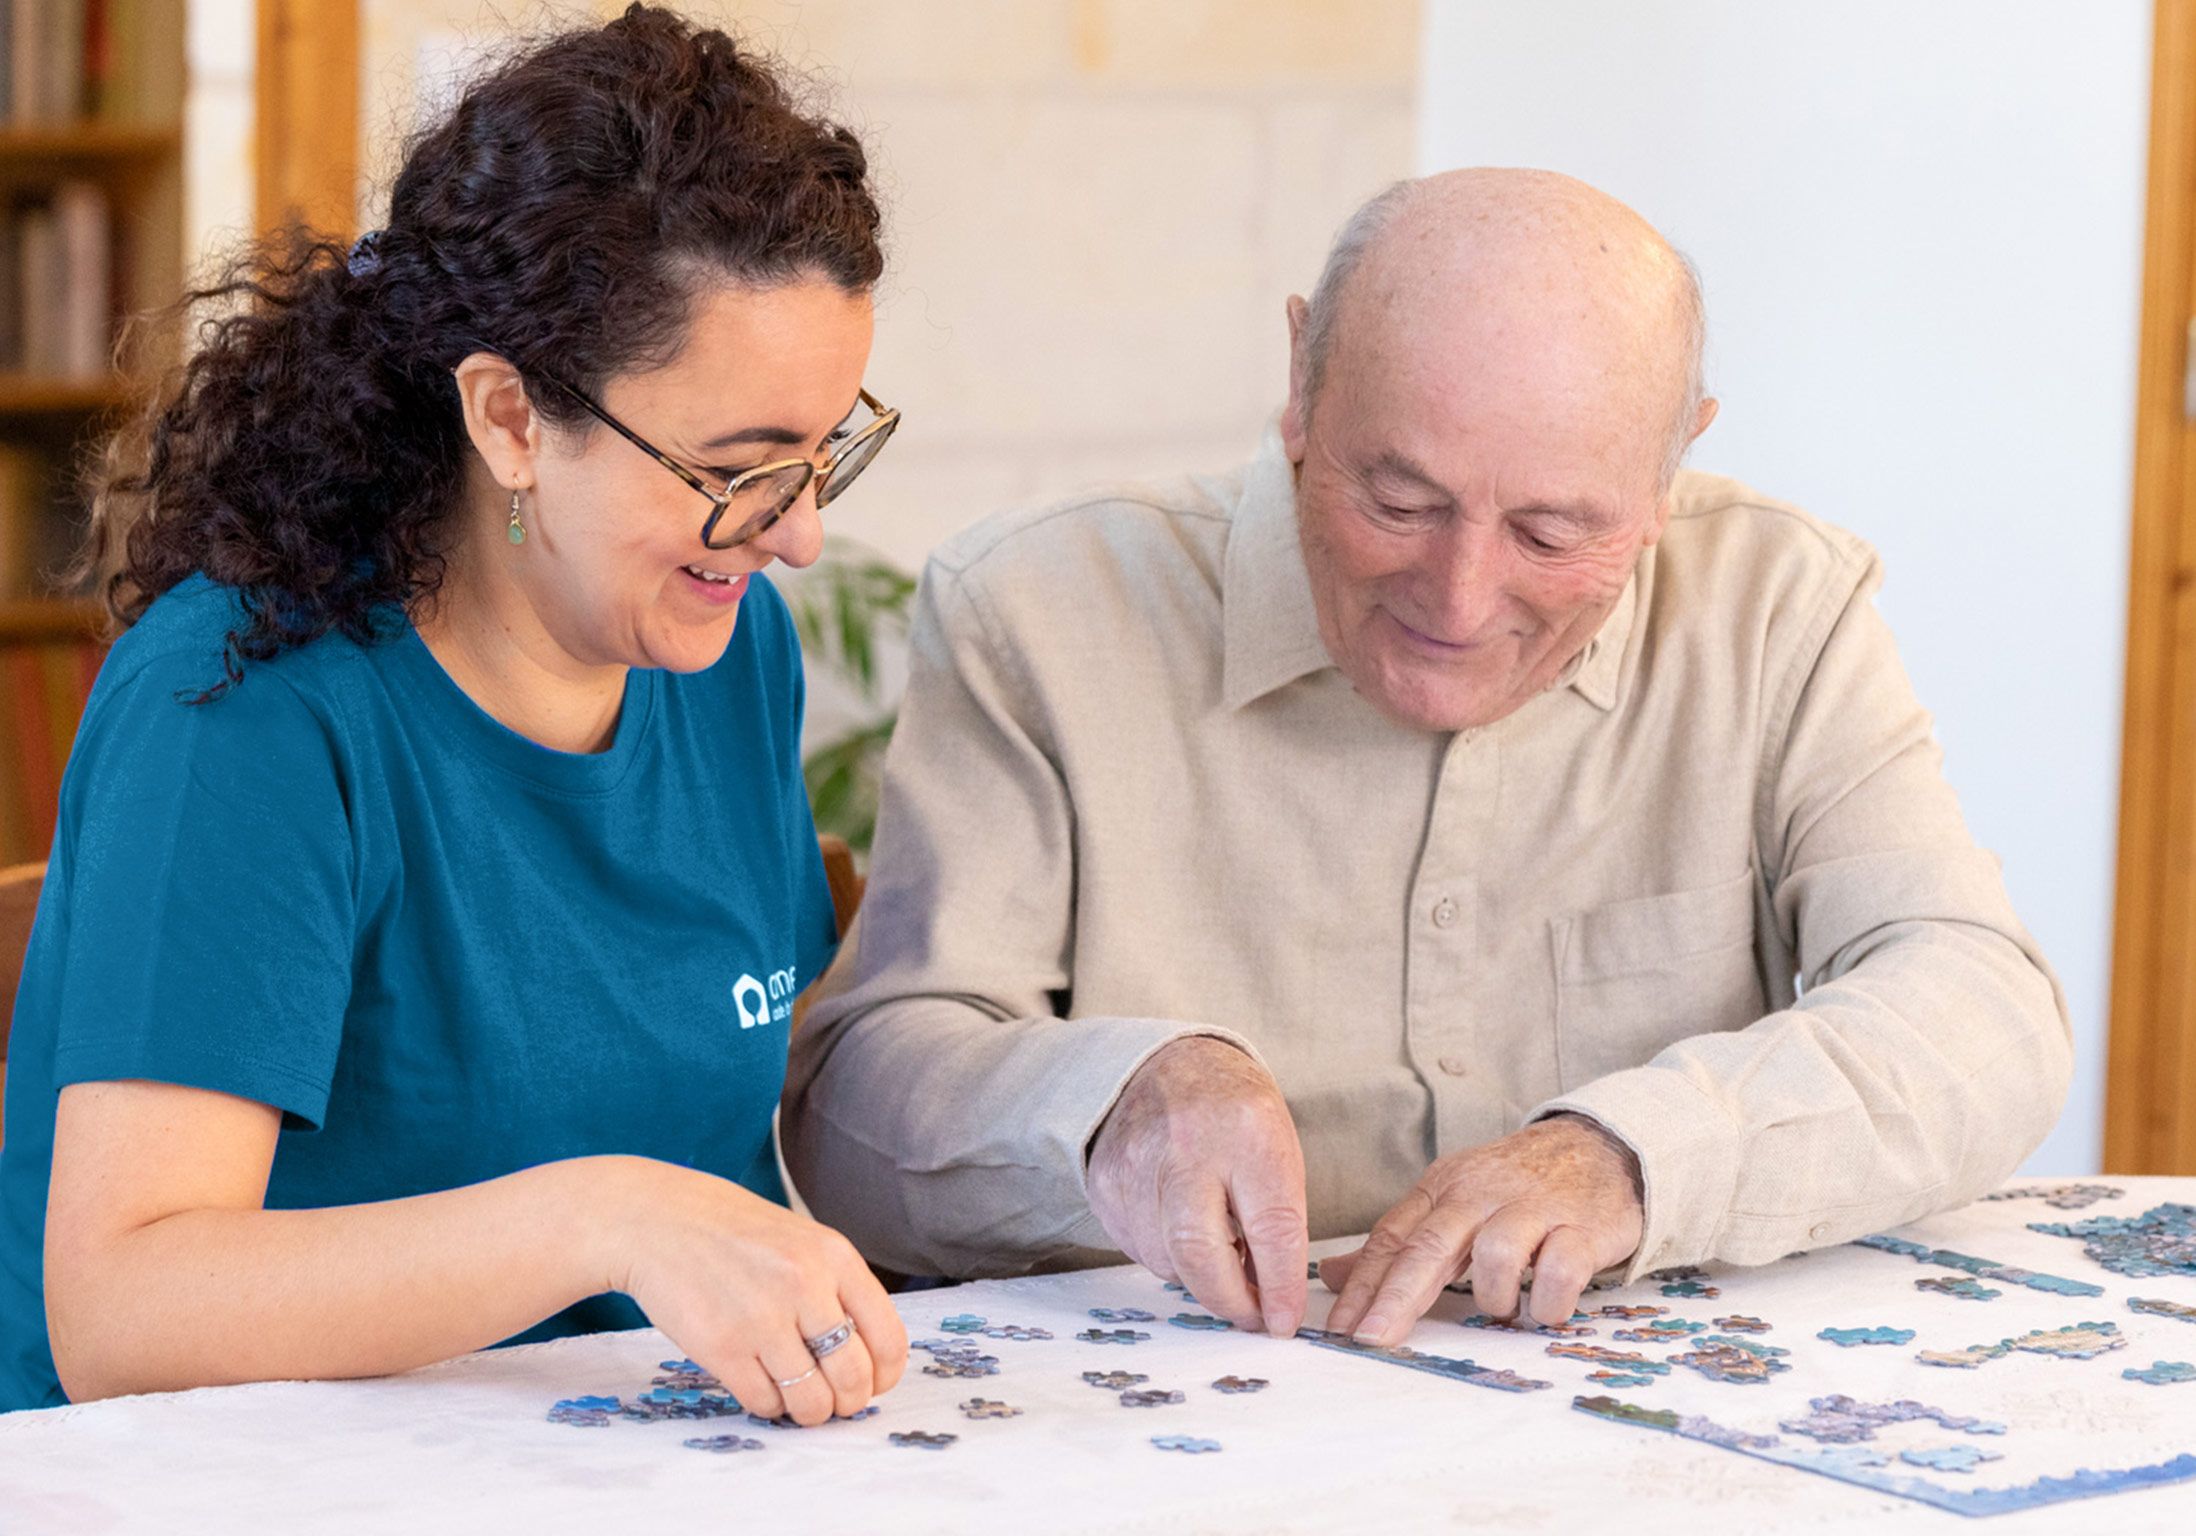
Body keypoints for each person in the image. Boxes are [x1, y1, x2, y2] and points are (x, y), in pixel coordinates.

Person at [786, 168, 2071, 1346]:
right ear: (1303, 381)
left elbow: (1982, 1012)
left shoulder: (1783, 605)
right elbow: (854, 1113)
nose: (1459, 600)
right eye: (1397, 502)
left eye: (1553, 533)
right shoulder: (1041, 610)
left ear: (1675, 459)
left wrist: (1636, 1155)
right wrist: (1111, 1101)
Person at [0, 4, 907, 1420]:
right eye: (741, 467)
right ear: (506, 420)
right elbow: (121, 1310)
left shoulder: (732, 654)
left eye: (823, 451)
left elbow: (781, 1119)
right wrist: (601, 1217)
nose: (794, 538)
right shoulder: (242, 704)